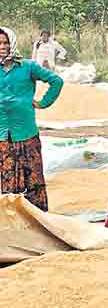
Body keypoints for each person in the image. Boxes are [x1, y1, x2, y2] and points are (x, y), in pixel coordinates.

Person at [1, 26, 64, 211]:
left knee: (33, 181)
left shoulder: (27, 67)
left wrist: (43, 103)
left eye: (5, 43)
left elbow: (56, 81)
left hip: (27, 135)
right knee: (7, 185)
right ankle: (11, 224)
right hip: (2, 138)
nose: (2, 47)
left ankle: (37, 220)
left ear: (11, 44)